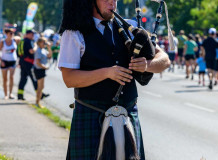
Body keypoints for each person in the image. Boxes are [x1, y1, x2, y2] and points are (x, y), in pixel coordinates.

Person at [58, 0, 170, 159]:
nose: (112, 2)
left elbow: (164, 59)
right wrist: (106, 73)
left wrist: (147, 65)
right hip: (91, 115)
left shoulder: (130, 27)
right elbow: (69, 78)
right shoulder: (74, 33)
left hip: (128, 114)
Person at [17, 30, 50, 100]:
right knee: (34, 79)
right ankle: (40, 95)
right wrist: (36, 46)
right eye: (32, 34)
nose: (33, 36)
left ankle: (20, 95)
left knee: (23, 78)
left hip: (22, 62)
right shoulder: (28, 41)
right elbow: (31, 51)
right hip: (28, 63)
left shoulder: (22, 41)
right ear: (28, 34)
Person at [34, 38, 52, 108]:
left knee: (41, 87)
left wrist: (49, 47)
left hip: (42, 70)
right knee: (40, 87)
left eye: (45, 42)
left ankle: (38, 101)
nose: (44, 43)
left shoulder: (43, 50)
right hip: (39, 70)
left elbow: (49, 55)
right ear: (39, 43)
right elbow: (37, 62)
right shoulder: (38, 50)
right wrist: (45, 67)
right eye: (43, 42)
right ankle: (37, 102)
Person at [0, 28, 17, 99]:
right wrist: (1, 61)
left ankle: (10, 93)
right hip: (4, 61)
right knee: (5, 78)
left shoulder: (15, 40)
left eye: (12, 33)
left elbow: (20, 37)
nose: (12, 35)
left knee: (11, 77)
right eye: (10, 33)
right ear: (6, 34)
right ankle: (5, 94)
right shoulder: (2, 42)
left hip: (13, 61)